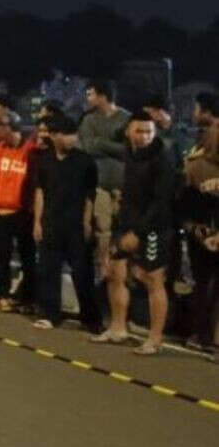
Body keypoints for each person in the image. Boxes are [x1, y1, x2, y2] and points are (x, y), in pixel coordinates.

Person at [92, 110, 176, 354]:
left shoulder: (163, 158)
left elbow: (161, 203)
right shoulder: (130, 152)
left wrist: (138, 233)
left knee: (153, 280)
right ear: (128, 131)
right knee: (114, 273)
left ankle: (155, 338)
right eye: (139, 131)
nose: (144, 136)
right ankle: (118, 328)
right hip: (126, 221)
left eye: (149, 131)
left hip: (153, 229)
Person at [31, 113, 101, 332]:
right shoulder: (44, 161)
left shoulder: (85, 161)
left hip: (76, 224)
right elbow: (40, 192)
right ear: (53, 136)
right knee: (48, 270)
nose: (72, 138)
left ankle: (91, 319)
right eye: (67, 134)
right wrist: (37, 222)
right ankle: (50, 315)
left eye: (74, 134)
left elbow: (91, 194)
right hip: (51, 221)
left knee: (82, 272)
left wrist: (87, 221)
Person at [0, 117, 37, 312]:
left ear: (11, 128)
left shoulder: (30, 151)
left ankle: (28, 299)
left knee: (28, 257)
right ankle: (3, 296)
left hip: (22, 212)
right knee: (0, 257)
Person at [78, 80, 130, 278]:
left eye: (90, 94)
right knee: (102, 227)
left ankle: (121, 270)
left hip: (122, 184)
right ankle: (103, 267)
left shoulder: (126, 118)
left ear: (102, 96)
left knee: (122, 227)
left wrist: (100, 143)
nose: (88, 98)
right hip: (98, 184)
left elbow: (128, 150)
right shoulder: (89, 120)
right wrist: (112, 146)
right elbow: (87, 148)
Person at [180, 122, 219, 354]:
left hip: (201, 233)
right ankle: (206, 336)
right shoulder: (195, 167)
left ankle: (203, 335)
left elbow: (183, 209)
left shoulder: (194, 166)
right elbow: (184, 208)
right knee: (205, 286)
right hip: (203, 235)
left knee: (204, 286)